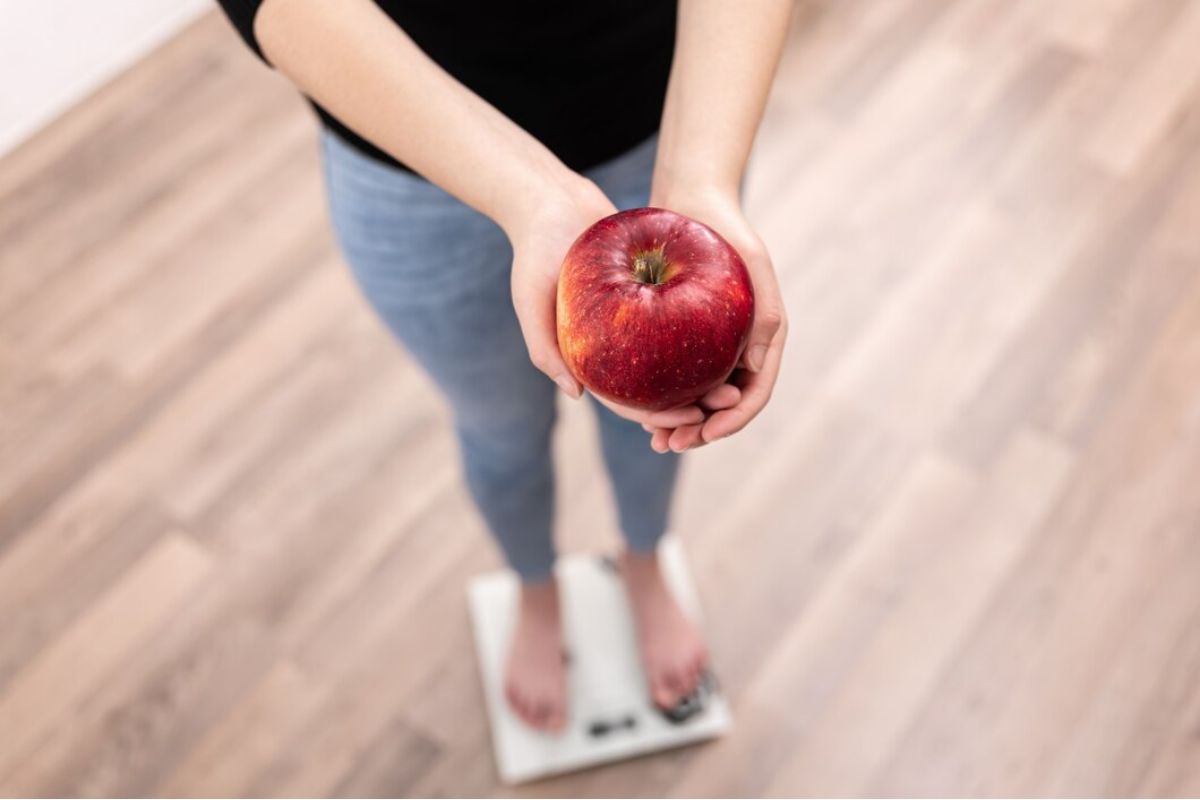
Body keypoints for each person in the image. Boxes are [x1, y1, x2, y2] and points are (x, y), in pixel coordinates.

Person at [215, 0, 790, 733]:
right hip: (407, 146)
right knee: (500, 432)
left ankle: (644, 562)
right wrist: (532, 194)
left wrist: (702, 180)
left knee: (671, 417)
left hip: (661, 108)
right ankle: (535, 587)